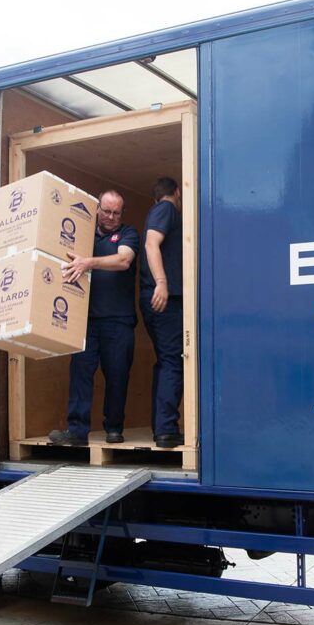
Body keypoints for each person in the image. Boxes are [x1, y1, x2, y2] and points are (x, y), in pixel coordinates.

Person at [48, 190, 140, 446]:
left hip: (119, 321)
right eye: (107, 211)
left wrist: (88, 263)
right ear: (97, 208)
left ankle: (114, 428)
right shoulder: (82, 236)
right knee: (80, 374)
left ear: (122, 213)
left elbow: (124, 260)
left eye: (116, 213)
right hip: (86, 321)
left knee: (117, 375)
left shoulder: (129, 234)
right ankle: (77, 432)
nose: (111, 217)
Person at [140, 177, 184, 448]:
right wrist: (163, 283)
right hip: (164, 299)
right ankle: (166, 429)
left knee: (165, 361)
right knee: (173, 361)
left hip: (156, 298)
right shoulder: (166, 209)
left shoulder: (156, 209)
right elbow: (150, 243)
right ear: (176, 192)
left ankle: (161, 426)